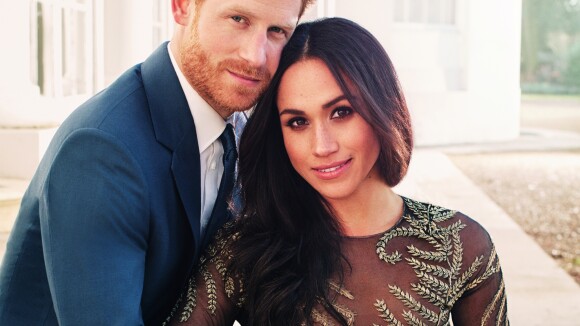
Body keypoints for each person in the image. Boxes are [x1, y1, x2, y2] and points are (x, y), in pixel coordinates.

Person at [164, 17, 510, 326]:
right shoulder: (243, 251)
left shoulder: (459, 245)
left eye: (341, 112)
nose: (322, 145)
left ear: (382, 107)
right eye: (297, 122)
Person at [0, 0, 314, 324]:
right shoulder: (101, 152)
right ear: (181, 7)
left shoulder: (244, 133)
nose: (255, 56)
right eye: (238, 19)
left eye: (277, 31)